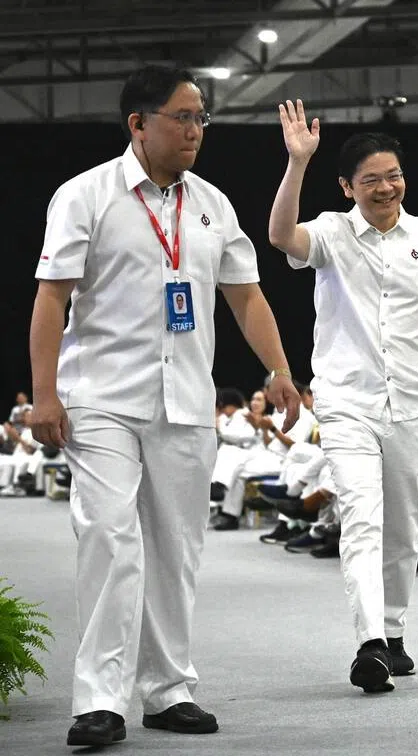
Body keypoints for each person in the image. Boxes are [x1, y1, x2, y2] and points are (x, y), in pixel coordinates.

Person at [29, 65, 301, 748]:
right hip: (101, 398)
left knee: (176, 550)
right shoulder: (85, 195)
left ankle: (169, 688)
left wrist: (279, 369)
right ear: (139, 124)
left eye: (202, 117)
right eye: (183, 116)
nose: (195, 129)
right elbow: (52, 297)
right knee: (109, 538)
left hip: (186, 400)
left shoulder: (212, 204)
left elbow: (246, 295)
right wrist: (44, 393)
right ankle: (99, 701)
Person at [268, 99, 418, 694]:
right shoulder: (332, 232)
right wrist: (297, 162)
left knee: (403, 527)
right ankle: (369, 642)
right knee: (362, 518)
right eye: (371, 180)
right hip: (348, 403)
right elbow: (280, 235)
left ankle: (393, 632)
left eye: (393, 176)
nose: (386, 188)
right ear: (347, 187)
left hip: (414, 404)